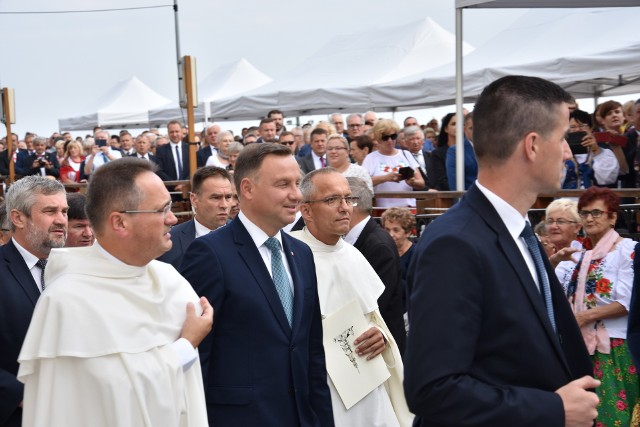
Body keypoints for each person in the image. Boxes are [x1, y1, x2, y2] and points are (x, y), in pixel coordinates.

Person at [405, 75, 597, 427]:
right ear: (533, 145)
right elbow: (433, 389)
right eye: (563, 138)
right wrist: (552, 410)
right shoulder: (455, 244)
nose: (569, 153)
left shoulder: (519, 232)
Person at [17, 158, 213, 427]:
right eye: (161, 210)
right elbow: (103, 400)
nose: (172, 219)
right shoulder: (67, 301)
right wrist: (185, 347)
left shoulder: (172, 282)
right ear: (119, 222)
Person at [180, 143, 333, 426]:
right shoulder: (209, 254)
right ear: (248, 189)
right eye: (283, 184)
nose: (296, 194)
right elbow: (198, 353)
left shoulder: (301, 255)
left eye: (297, 183)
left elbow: (311, 352)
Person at [291, 168, 412, 427]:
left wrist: (380, 336)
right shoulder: (289, 255)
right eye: (332, 200)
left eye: (348, 199)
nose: (345, 208)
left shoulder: (354, 255)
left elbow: (375, 318)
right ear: (306, 210)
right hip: (321, 387)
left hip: (367, 382)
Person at [554, 187, 638, 426]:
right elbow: (546, 292)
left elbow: (627, 301)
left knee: (613, 416)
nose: (589, 218)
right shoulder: (575, 255)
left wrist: (582, 318)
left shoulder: (627, 250)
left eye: (596, 213)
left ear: (613, 217)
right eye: (584, 213)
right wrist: (554, 260)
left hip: (613, 345)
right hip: (577, 344)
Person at [0, 176, 67, 427]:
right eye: (50, 211)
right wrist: (20, 396)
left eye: (64, 211)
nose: (61, 219)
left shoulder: (79, 269)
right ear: (17, 218)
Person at [345, 177, 406, 354]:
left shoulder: (378, 245)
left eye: (340, 199)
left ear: (352, 203)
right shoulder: (361, 238)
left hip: (379, 348)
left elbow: (374, 303)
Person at [158, 166, 232, 269]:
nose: (224, 205)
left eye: (228, 197)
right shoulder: (170, 242)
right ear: (194, 200)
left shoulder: (246, 236)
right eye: (216, 197)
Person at [362, 119, 424, 207]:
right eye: (385, 137)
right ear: (378, 139)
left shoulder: (406, 154)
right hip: (383, 211)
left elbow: (421, 183)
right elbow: (363, 183)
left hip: (409, 209)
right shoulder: (371, 158)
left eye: (393, 136)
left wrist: (413, 182)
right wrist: (385, 178)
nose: (390, 140)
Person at [562, 109, 618, 189]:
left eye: (582, 126)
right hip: (566, 200)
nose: (577, 129)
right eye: (573, 127)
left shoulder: (605, 153)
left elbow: (608, 179)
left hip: (595, 199)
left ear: (591, 129)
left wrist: (596, 150)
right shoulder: (561, 154)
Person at [380, 207, 416, 315]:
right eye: (387, 229)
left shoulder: (415, 254)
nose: (390, 235)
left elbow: (414, 288)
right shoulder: (383, 252)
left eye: (396, 230)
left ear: (408, 232)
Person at [544, 198, 583, 266]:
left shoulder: (587, 252)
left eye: (561, 221)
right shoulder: (542, 252)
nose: (553, 226)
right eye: (550, 221)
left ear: (577, 227)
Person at [445, 112, 478, 190]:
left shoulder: (492, 148)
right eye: (471, 128)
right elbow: (455, 185)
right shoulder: (455, 151)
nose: (476, 131)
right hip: (468, 199)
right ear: (464, 129)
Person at [427, 112, 456, 191]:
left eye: (461, 124)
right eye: (453, 124)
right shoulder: (438, 154)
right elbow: (441, 181)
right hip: (449, 196)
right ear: (446, 128)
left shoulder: (472, 150)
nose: (458, 127)